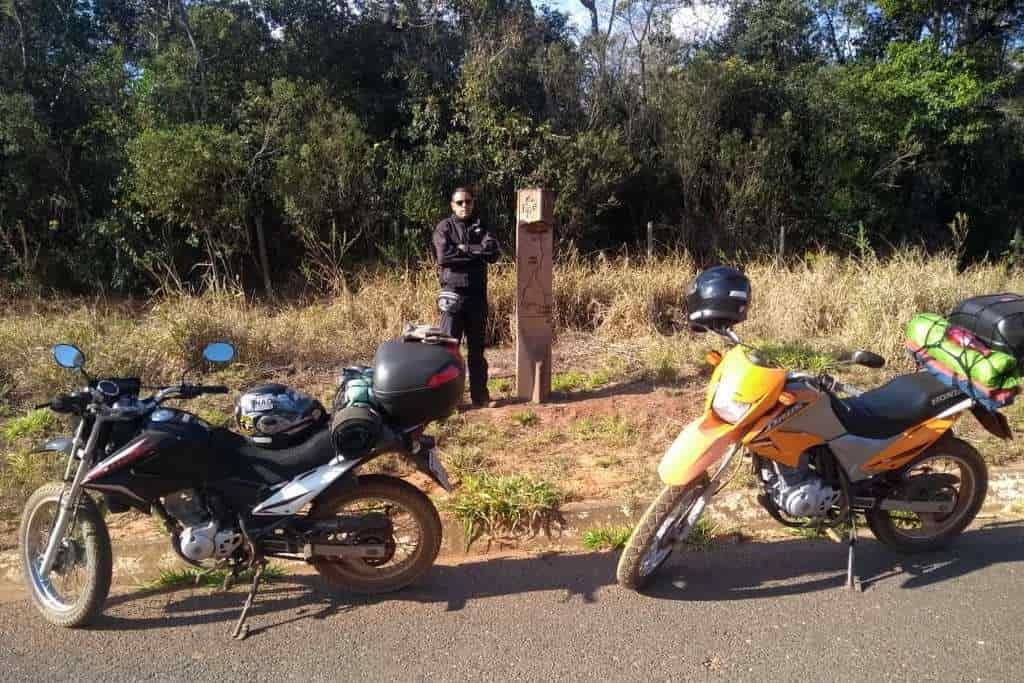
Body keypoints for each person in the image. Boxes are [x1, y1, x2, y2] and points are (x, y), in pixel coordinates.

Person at [433, 187, 500, 407]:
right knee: (448, 351)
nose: (465, 206)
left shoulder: (482, 226)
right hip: (452, 297)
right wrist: (475, 252)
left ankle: (480, 398)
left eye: (468, 202)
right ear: (452, 205)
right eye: (460, 202)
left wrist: (463, 249)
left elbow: (492, 254)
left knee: (477, 352)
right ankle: (447, 403)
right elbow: (444, 257)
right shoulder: (444, 227)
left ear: (473, 203)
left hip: (477, 299)